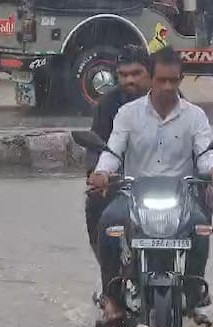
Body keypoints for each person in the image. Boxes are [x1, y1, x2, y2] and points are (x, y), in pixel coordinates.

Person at [88, 46, 213, 325]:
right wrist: (102, 173)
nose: (167, 87)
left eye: (173, 81)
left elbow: (205, 153)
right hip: (132, 195)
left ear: (181, 80)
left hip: (182, 195)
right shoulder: (127, 114)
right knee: (107, 222)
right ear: (151, 79)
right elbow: (113, 152)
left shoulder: (195, 116)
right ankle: (112, 296)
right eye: (161, 80)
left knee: (201, 227)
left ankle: (193, 294)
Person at [84, 44, 151, 260]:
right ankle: (109, 279)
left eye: (136, 74)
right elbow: (96, 144)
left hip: (165, 179)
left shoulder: (171, 99)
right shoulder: (108, 104)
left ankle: (194, 279)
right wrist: (96, 175)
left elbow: (192, 139)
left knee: (199, 210)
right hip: (121, 180)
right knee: (94, 203)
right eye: (123, 75)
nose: (129, 80)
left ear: (150, 73)